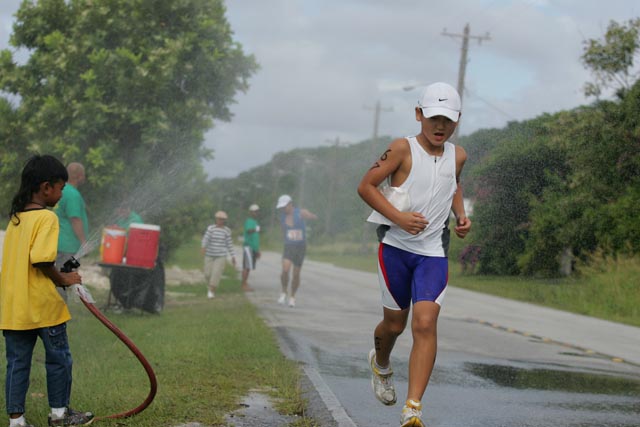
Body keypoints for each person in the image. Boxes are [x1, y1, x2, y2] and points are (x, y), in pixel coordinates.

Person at [357, 82, 472, 427]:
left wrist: (461, 216)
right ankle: (380, 364)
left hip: (433, 253)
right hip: (395, 249)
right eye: (433, 118)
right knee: (395, 325)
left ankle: (413, 408)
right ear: (419, 114)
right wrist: (400, 218)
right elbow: (366, 186)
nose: (440, 127)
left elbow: (453, 183)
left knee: (425, 322)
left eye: (448, 121)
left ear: (457, 121)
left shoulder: (459, 155)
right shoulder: (401, 149)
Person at [0, 155, 94, 427]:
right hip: (43, 307)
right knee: (58, 360)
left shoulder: (17, 217)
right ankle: (59, 415)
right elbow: (41, 260)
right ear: (45, 187)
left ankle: (16, 421)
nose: (62, 194)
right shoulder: (47, 218)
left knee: (17, 364)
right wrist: (64, 279)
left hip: (15, 308)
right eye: (61, 188)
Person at [275, 194, 317, 308]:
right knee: (285, 269)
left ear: (290, 204)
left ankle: (292, 296)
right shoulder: (282, 216)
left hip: (300, 247)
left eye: (285, 206)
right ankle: (284, 292)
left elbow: (313, 217)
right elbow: (283, 230)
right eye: (281, 207)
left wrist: (310, 215)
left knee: (296, 273)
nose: (283, 209)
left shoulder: (300, 212)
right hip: (289, 246)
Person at [54, 162, 88, 300]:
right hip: (68, 246)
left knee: (62, 277)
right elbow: (75, 219)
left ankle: (58, 310)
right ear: (79, 176)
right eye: (84, 174)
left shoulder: (63, 190)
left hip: (60, 244)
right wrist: (83, 242)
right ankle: (58, 311)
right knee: (63, 279)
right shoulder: (73, 194)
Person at [200, 211, 236, 299]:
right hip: (209, 254)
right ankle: (210, 286)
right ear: (216, 219)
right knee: (207, 274)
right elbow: (206, 239)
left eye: (223, 220)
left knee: (216, 273)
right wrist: (203, 247)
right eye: (219, 219)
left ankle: (211, 291)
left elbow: (229, 243)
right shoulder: (211, 229)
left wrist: (233, 256)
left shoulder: (227, 231)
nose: (221, 221)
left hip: (221, 255)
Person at [241, 204, 261, 292]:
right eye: (254, 211)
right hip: (248, 246)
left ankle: (245, 283)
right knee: (247, 266)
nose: (256, 213)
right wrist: (255, 230)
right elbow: (249, 231)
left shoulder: (255, 222)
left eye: (257, 211)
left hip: (253, 248)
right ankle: (243, 284)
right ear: (251, 212)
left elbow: (256, 237)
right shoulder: (249, 221)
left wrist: (257, 250)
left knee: (249, 266)